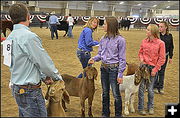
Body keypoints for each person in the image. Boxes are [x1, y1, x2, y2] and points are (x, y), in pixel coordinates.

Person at [7, 3, 63, 117]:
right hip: (30, 91)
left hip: (17, 87)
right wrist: (57, 77)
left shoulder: (10, 38)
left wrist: (43, 76)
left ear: (11, 19)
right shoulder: (29, 37)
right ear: (28, 16)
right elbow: (43, 63)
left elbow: (19, 64)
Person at [88, 17, 126, 117]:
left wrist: (120, 74)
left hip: (114, 69)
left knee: (116, 94)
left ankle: (118, 115)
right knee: (105, 93)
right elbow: (100, 54)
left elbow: (122, 58)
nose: (103, 26)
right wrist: (94, 59)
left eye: (105, 24)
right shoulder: (103, 39)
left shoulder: (120, 40)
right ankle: (105, 114)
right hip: (103, 68)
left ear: (111, 26)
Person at [138, 24, 166, 115]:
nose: (146, 31)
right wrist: (141, 59)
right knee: (141, 88)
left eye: (148, 30)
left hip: (152, 68)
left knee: (150, 89)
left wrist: (155, 69)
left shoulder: (160, 43)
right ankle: (141, 107)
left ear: (153, 32)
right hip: (143, 67)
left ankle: (150, 107)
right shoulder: (144, 41)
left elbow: (162, 58)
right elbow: (140, 52)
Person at [154, 21, 174, 94]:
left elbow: (171, 47)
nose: (160, 28)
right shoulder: (157, 36)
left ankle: (161, 87)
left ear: (166, 27)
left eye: (161, 27)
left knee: (162, 72)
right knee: (156, 71)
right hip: (156, 57)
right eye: (159, 26)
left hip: (165, 56)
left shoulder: (169, 36)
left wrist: (171, 57)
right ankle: (155, 86)